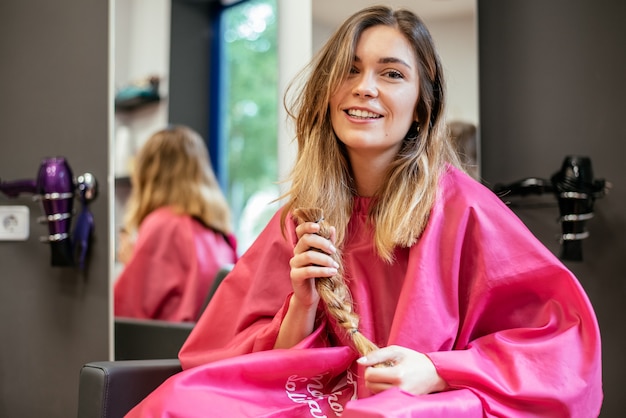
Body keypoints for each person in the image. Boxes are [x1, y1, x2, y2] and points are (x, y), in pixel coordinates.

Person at [127, 6, 602, 417]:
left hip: (416, 401)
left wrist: (435, 369)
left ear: (421, 107)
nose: (364, 88)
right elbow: (229, 357)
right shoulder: (302, 216)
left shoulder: (463, 210)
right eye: (350, 71)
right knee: (175, 404)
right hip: (318, 392)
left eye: (391, 74)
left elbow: (562, 350)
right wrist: (302, 305)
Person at [114, 125, 238, 322]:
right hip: (207, 345)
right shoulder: (219, 234)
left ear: (149, 174)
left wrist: (132, 265)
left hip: (168, 346)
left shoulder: (163, 226)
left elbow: (123, 311)